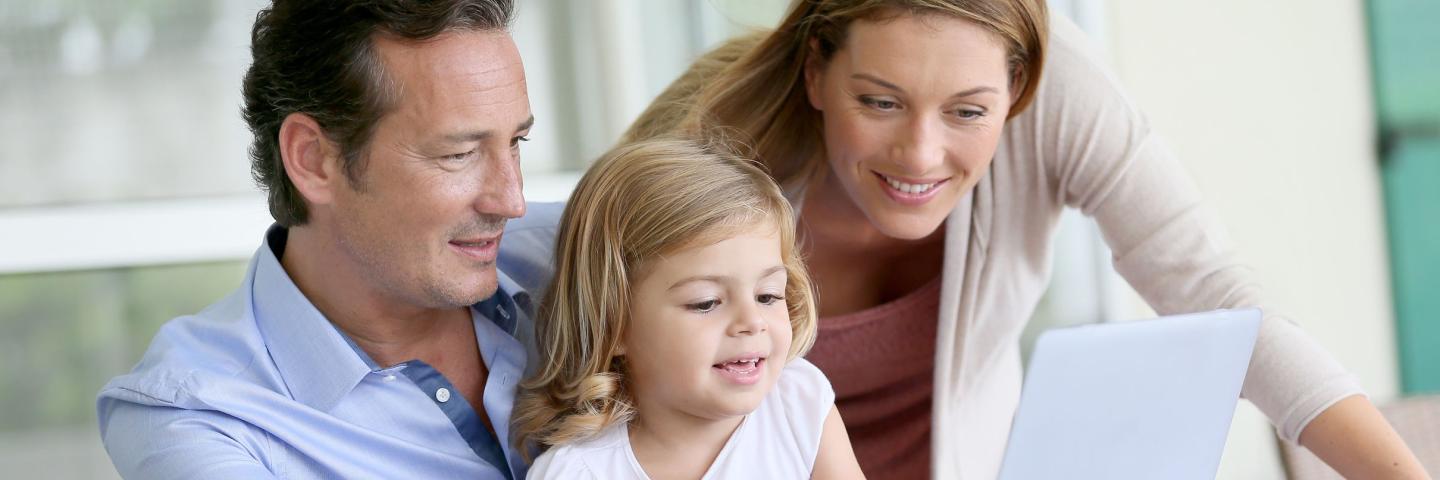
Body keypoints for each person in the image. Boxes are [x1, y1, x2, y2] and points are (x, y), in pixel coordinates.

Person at [612, 0, 1430, 478]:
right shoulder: (710, 159)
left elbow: (1224, 302)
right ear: (816, 71)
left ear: (1018, 90)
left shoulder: (1056, 86)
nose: (920, 157)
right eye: (880, 102)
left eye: (968, 112)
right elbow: (598, 381)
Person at [95, 1, 540, 478]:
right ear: (312, 159)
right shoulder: (198, 416)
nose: (512, 201)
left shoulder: (593, 250)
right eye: (459, 153)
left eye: (516, 143)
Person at [510, 136, 865, 479]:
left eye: (768, 296)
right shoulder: (577, 473)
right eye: (706, 302)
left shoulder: (798, 402)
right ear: (613, 325)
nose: (752, 322)